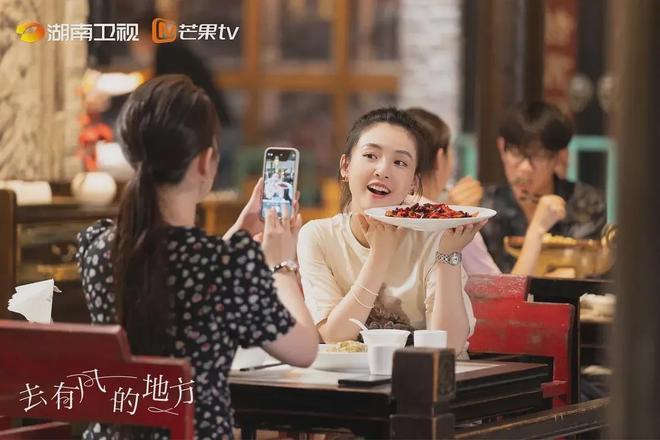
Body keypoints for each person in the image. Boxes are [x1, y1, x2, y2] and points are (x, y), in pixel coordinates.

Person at [76, 75, 318, 439]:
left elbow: (176, 272)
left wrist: (238, 233)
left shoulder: (98, 248)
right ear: (206, 162)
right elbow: (304, 349)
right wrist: (281, 264)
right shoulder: (222, 265)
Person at [297, 107, 486, 359]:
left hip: (427, 377)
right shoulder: (318, 237)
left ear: (414, 182)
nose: (383, 170)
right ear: (345, 166)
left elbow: (449, 346)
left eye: (400, 162)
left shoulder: (435, 233)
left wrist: (449, 254)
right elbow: (335, 336)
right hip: (354, 379)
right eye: (370, 155)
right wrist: (380, 255)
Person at [480, 101, 607, 274]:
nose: (525, 167)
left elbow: (580, 274)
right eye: (516, 152)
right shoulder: (484, 209)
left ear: (559, 156)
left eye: (539, 155)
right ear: (502, 148)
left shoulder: (586, 203)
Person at [129, 16, 237, 189]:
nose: (134, 48)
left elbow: (161, 102)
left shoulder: (167, 55)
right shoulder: (175, 52)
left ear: (147, 36)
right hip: (218, 129)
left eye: (136, 41)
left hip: (213, 134)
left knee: (208, 195)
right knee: (213, 194)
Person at [406, 107, 500, 275]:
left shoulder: (381, 211)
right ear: (440, 158)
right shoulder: (459, 225)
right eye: (452, 152)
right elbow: (494, 285)